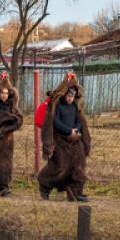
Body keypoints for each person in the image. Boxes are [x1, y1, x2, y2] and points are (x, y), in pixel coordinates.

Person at [38, 72, 91, 202]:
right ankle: (44, 185)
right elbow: (55, 122)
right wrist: (68, 131)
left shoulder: (74, 107)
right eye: (68, 95)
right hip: (60, 140)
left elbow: (78, 121)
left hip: (74, 140)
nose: (70, 98)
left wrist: (76, 130)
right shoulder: (58, 106)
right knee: (59, 166)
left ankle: (75, 192)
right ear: (64, 95)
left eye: (72, 96)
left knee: (78, 166)